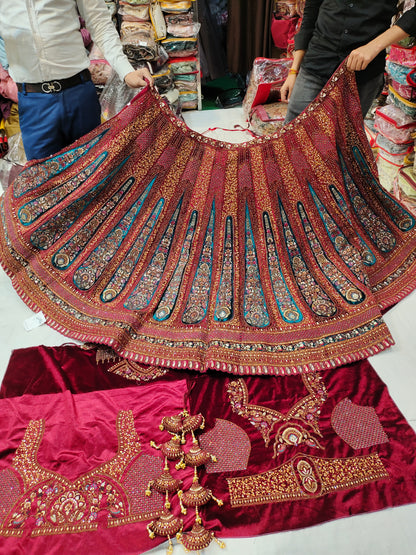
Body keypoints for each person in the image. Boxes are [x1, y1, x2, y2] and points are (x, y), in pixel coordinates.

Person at [0, 0, 154, 161]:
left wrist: (126, 71)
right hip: (34, 103)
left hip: (78, 94)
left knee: (94, 172)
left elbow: (99, 22)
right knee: (44, 180)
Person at [281, 1, 416, 123]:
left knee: (343, 140)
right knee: (293, 133)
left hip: (362, 74)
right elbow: (310, 16)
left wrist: (374, 46)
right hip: (316, 63)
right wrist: (293, 71)